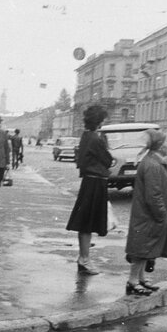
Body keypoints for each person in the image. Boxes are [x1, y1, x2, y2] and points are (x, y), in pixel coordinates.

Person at [65, 104, 113, 275]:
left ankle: (83, 258)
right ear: (99, 121)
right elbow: (108, 161)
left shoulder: (86, 136)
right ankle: (84, 259)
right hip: (95, 183)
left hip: (89, 182)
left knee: (85, 222)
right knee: (88, 223)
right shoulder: (96, 139)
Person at [125, 129, 167, 295]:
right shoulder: (152, 165)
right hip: (149, 216)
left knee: (145, 247)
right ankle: (133, 280)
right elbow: (153, 195)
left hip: (147, 215)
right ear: (160, 146)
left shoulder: (154, 162)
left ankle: (141, 278)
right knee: (142, 248)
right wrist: (162, 214)